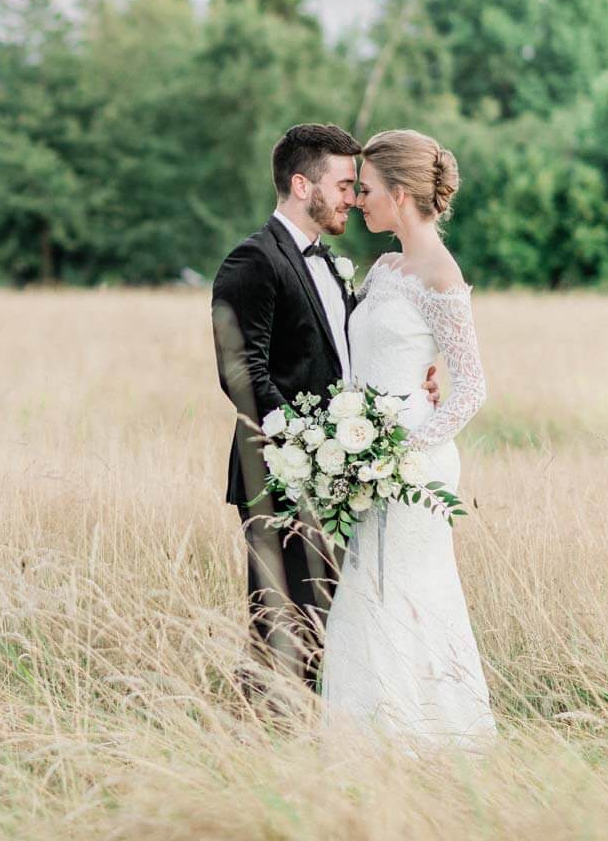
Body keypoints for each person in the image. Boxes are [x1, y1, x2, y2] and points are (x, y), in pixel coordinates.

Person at [210, 124, 438, 694]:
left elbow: (352, 350)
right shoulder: (252, 261)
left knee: (325, 631)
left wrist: (421, 374)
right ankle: (256, 746)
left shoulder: (329, 263)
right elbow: (242, 372)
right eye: (341, 185)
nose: (351, 198)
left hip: (336, 478)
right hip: (280, 480)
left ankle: (308, 749)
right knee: (281, 632)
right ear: (300, 184)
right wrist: (304, 448)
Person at [318, 129, 496, 747]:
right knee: (366, 593)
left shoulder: (441, 276)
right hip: (367, 456)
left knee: (404, 593)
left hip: (410, 469)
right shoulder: (387, 265)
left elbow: (472, 387)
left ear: (399, 193)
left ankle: (422, 742)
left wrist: (400, 452)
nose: (359, 200)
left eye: (365, 191)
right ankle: (366, 740)